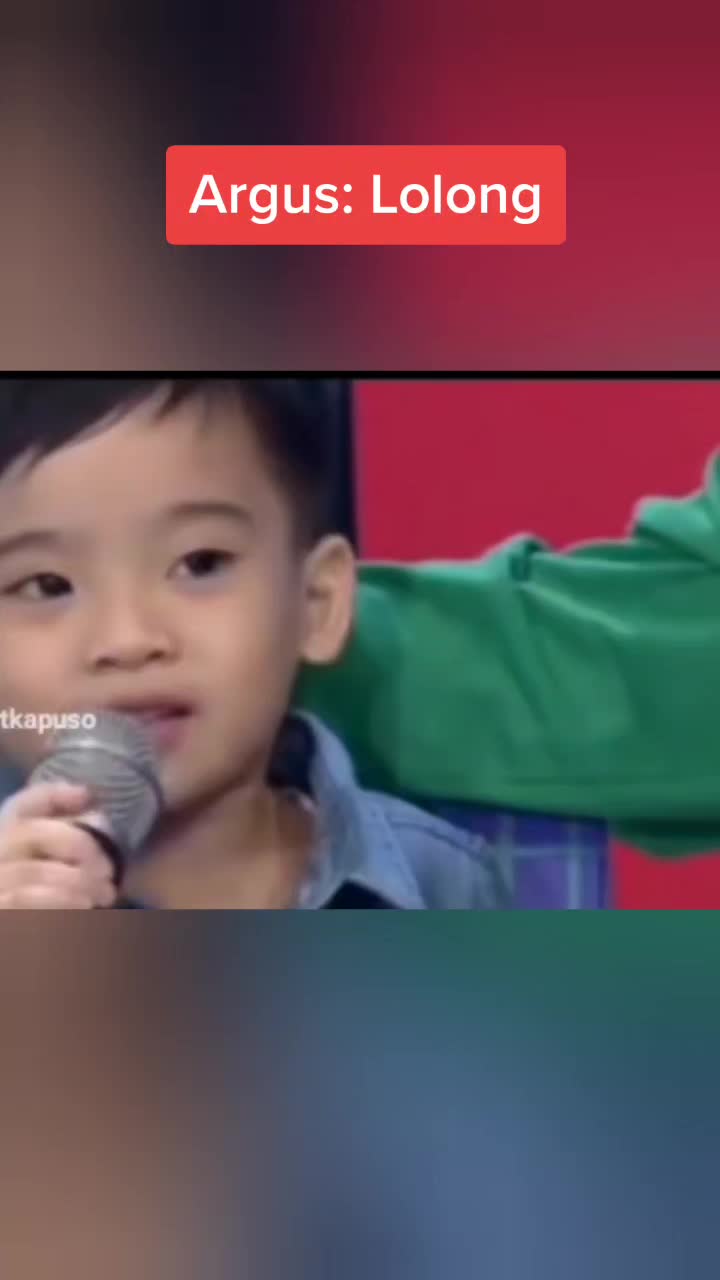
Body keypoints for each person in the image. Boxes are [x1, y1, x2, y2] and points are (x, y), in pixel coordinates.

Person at [0, 377, 504, 909]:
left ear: (315, 602)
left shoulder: (440, 881)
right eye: (47, 586)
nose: (127, 641)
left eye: (200, 564)